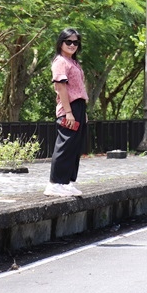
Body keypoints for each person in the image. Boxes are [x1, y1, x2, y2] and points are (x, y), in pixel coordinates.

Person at [44, 28, 89, 197]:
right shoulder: (60, 62)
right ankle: (55, 183)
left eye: (75, 42)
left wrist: (82, 112)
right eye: (68, 41)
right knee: (65, 145)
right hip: (68, 108)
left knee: (74, 146)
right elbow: (61, 87)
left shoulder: (74, 63)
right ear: (61, 43)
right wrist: (69, 112)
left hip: (78, 107)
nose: (72, 45)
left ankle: (68, 182)